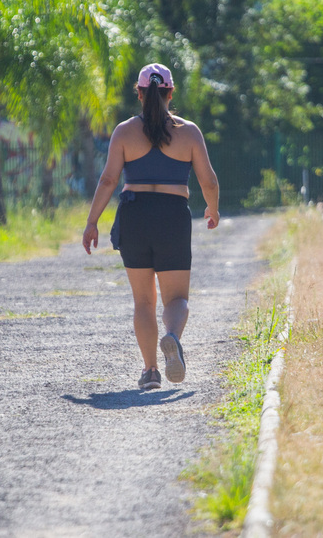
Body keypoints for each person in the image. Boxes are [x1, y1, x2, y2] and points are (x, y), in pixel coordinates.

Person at [83, 63, 220, 391]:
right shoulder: (189, 132)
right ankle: (171, 337)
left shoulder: (125, 132)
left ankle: (150, 371)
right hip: (172, 216)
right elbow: (208, 180)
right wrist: (212, 209)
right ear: (170, 93)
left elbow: (108, 179)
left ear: (140, 93)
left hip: (135, 215)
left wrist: (92, 222)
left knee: (143, 301)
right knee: (177, 299)